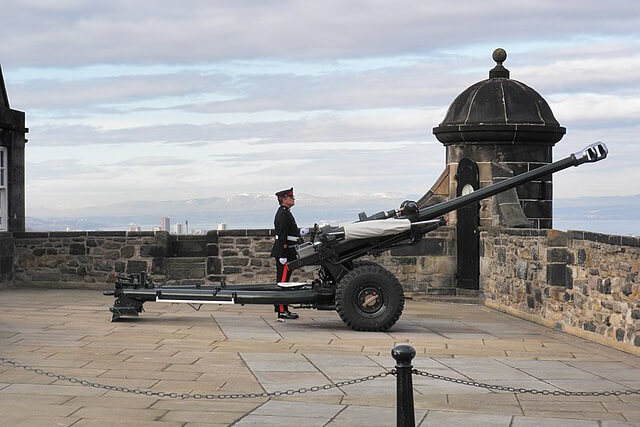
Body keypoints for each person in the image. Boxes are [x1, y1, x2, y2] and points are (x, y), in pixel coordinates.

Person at [270, 187, 308, 320]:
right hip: (284, 252)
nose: (293, 199)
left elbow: (290, 232)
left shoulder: (286, 212)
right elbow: (282, 236)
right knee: (283, 282)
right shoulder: (282, 214)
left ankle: (283, 308)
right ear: (284, 200)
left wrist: (300, 232)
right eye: (291, 197)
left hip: (288, 250)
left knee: (285, 280)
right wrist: (283, 254)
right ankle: (281, 310)